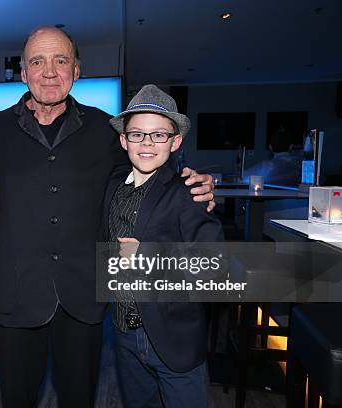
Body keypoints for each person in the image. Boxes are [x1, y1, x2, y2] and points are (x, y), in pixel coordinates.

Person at [0, 27, 215, 408]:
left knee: (79, 398)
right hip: (17, 294)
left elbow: (145, 170)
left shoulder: (105, 130)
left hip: (85, 294)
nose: (49, 71)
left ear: (76, 71)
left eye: (60, 60)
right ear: (23, 73)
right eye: (37, 62)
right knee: (19, 400)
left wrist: (193, 178)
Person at [104, 84, 224, 407]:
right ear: (123, 140)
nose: (147, 144)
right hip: (125, 335)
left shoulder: (188, 192)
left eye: (158, 135)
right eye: (137, 134)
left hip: (174, 339)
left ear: (175, 142)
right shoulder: (113, 185)